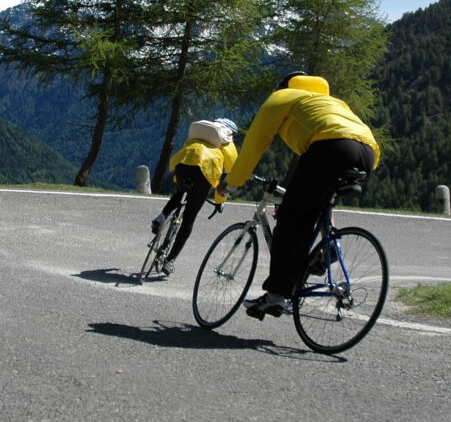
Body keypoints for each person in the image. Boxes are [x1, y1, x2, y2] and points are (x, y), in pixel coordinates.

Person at [217, 73, 380, 318]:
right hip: (368, 153)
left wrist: (231, 183)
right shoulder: (331, 102)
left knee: (290, 222)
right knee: (318, 203)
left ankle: (276, 296)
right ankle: (331, 245)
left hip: (329, 147)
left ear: (283, 87)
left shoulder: (282, 97)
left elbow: (255, 143)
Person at [151, 118, 239, 276]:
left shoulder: (202, 131)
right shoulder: (228, 143)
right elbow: (226, 179)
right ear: (232, 132)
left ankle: (162, 216)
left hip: (182, 163)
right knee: (189, 218)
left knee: (180, 193)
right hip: (205, 171)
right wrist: (220, 203)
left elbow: (187, 150)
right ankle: (170, 261)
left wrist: (179, 183)